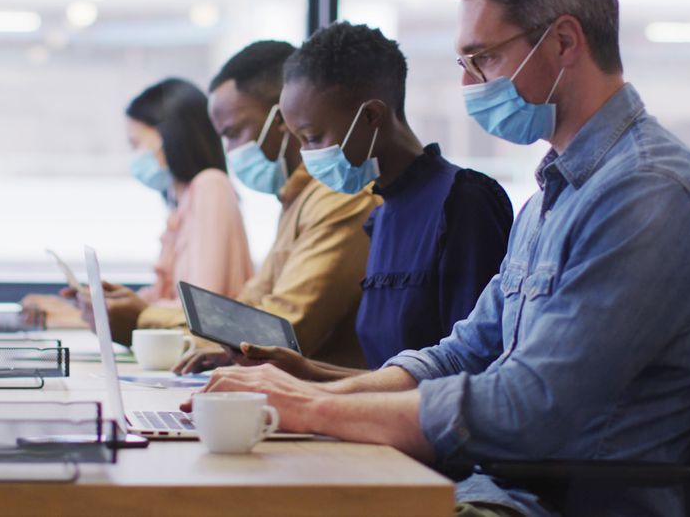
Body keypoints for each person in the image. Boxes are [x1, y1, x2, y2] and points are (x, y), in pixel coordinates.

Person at [185, 0, 690, 516]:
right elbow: (464, 351)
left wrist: (312, 408)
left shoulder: (645, 193)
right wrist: (312, 393)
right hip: (498, 490)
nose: (467, 82)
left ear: (563, 42)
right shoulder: (551, 200)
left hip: (556, 503)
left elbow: (528, 407)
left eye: (481, 58)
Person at [208, 22, 512, 379]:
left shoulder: (463, 202)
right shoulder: (381, 215)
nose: (305, 156)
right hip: (383, 426)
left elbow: (470, 374)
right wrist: (301, 372)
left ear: (371, 116)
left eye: (313, 137)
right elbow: (387, 377)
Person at [92, 41, 378, 366]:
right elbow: (248, 308)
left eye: (234, 132)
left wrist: (144, 319)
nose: (229, 151)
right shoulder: (296, 199)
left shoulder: (338, 197)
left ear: (284, 117)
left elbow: (280, 331)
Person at [23, 78, 254, 339]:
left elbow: (201, 311)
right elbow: (165, 303)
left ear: (170, 137)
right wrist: (76, 310)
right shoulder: (182, 203)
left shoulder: (210, 186)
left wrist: (100, 313)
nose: (135, 156)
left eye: (136, 144)